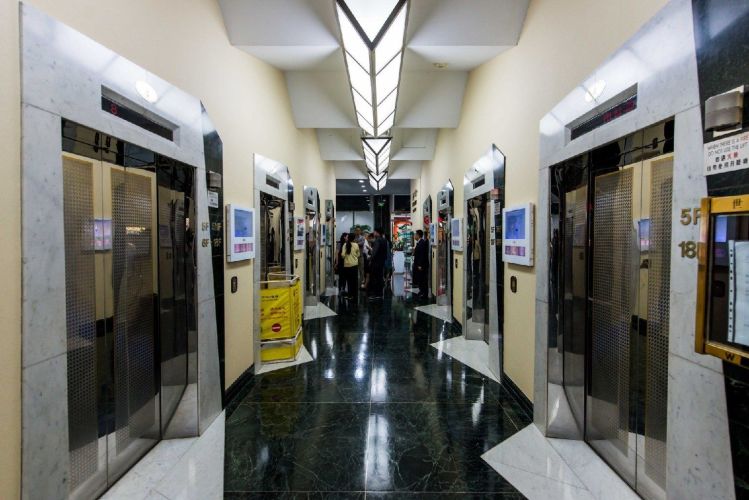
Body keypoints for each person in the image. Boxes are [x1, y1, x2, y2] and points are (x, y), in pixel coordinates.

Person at [368, 228, 387, 299]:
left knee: (374, 278)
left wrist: (370, 259)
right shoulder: (384, 240)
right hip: (381, 262)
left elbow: (374, 252)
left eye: (374, 232)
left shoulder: (377, 240)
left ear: (377, 233)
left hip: (376, 262)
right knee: (380, 277)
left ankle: (375, 294)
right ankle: (380, 294)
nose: (373, 233)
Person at [342, 232, 360, 304]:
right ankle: (354, 295)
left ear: (348, 238)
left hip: (347, 265)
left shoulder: (345, 244)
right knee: (354, 281)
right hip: (354, 265)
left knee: (349, 281)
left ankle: (349, 295)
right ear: (354, 238)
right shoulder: (356, 245)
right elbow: (358, 254)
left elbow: (343, 255)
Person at [412, 229, 429, 298]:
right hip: (418, 264)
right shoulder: (419, 242)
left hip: (421, 265)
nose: (414, 236)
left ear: (418, 235)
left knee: (423, 279)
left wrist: (420, 265)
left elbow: (422, 255)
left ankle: (424, 293)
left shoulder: (422, 243)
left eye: (415, 235)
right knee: (420, 278)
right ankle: (421, 291)